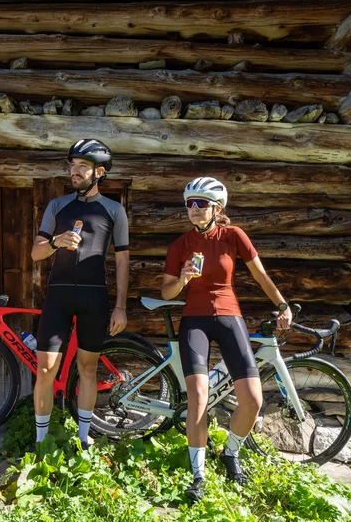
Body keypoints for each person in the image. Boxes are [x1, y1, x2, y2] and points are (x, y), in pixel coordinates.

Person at [160, 177, 292, 500]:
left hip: (230, 316)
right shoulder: (179, 246)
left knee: (253, 399)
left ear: (216, 208)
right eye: (189, 203)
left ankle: (231, 452)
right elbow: (166, 292)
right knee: (199, 397)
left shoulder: (233, 236)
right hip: (194, 321)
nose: (193, 209)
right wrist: (183, 278)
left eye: (200, 203)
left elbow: (260, 275)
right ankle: (199, 476)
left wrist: (282, 304)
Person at [30, 139, 130, 450]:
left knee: (88, 367)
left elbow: (123, 259)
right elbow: (35, 253)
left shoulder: (114, 210)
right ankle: (41, 442)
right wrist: (56, 242)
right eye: (72, 165)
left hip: (95, 297)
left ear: (99, 172)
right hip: (58, 296)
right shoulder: (57, 206)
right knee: (45, 369)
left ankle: (84, 438)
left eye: (82, 166)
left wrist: (121, 307)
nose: (74, 171)